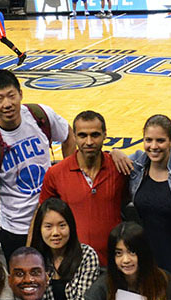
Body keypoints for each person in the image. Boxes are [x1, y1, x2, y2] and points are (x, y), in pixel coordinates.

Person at [0, 69, 75, 259]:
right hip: (16, 229)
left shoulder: (40, 115)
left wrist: (68, 177)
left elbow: (68, 135)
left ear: (21, 94)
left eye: (11, 96)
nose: (7, 104)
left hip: (52, 222)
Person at [40, 110, 126, 264]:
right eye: (82, 135)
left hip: (114, 264)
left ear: (105, 135)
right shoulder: (55, 173)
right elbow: (42, 216)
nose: (89, 142)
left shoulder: (120, 168)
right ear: (74, 137)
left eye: (95, 135)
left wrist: (116, 152)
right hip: (72, 264)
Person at [126, 115, 171, 276]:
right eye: (148, 140)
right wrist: (114, 152)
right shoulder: (136, 166)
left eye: (160, 140)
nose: (153, 146)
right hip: (144, 256)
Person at [29, 197, 101, 300]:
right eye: (48, 227)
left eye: (62, 225)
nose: (56, 233)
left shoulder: (87, 255)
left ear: (71, 227)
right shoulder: (34, 258)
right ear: (39, 229)